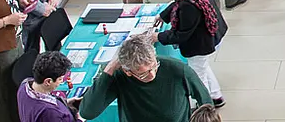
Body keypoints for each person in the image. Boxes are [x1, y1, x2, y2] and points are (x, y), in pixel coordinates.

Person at [79, 34, 212, 122]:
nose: (152, 74)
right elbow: (88, 112)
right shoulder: (119, 77)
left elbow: (206, 102)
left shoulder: (178, 70)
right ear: (128, 72)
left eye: (154, 66)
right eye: (143, 73)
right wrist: (110, 69)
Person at [153, 0, 228, 107]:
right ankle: (215, 96)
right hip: (213, 32)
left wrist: (158, 37)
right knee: (201, 66)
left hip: (201, 43)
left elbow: (180, 34)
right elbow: (177, 2)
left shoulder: (188, 6)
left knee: (197, 76)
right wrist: (163, 16)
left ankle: (203, 105)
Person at [17, 51, 76, 122]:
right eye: (60, 79)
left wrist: (65, 103)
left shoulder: (25, 85)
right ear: (48, 81)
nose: (61, 82)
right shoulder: (50, 113)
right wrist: (80, 119)